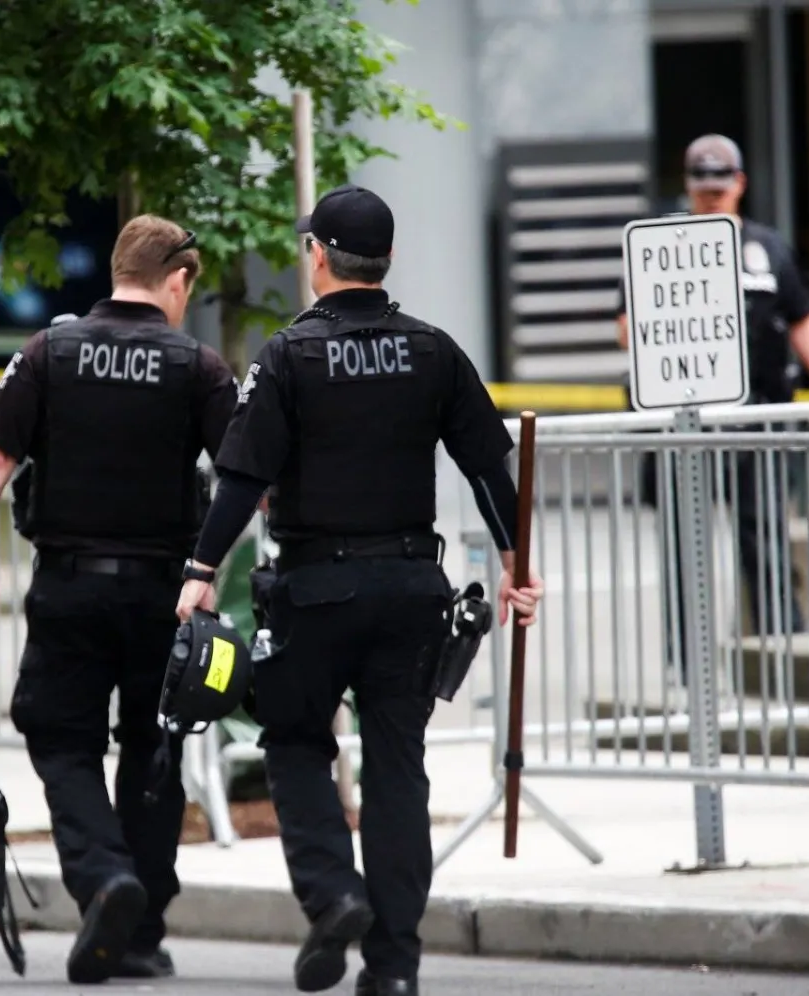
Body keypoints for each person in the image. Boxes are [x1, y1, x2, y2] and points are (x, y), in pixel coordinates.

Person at [175, 184, 544, 996]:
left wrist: (200, 574)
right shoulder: (434, 349)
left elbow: (240, 479)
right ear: (386, 260)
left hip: (315, 590)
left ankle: (335, 894)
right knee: (398, 768)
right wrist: (515, 559)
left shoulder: (287, 356)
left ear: (318, 258)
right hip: (412, 587)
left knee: (298, 743)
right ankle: (396, 967)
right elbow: (491, 468)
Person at [0, 215, 239, 985]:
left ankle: (102, 878)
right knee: (156, 752)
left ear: (118, 270)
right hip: (167, 597)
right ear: (178, 279)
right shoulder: (199, 366)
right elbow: (245, 484)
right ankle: (141, 930)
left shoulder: (48, 353)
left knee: (62, 742)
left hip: (69, 589)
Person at [616, 134, 809, 639]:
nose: (711, 191)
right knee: (685, 554)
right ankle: (687, 669)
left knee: (765, 541)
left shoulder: (768, 248)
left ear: (740, 183)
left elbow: (803, 319)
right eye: (701, 180)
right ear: (687, 184)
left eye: (721, 180)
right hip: (681, 427)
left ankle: (783, 655)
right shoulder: (661, 247)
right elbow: (627, 325)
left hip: (757, 421)